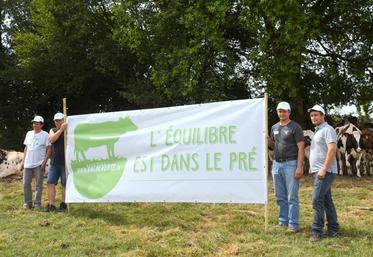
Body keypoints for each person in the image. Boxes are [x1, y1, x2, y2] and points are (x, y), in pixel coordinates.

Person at [269, 101, 305, 233]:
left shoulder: (295, 127)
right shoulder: (274, 127)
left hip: (291, 163)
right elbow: (274, 145)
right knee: (279, 195)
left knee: (292, 196)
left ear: (289, 112)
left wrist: (299, 166)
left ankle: (293, 224)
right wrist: (268, 141)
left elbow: (301, 147)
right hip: (276, 164)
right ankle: (282, 221)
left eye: (284, 111)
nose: (282, 113)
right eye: (279, 111)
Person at [308, 105, 339, 243]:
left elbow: (332, 149)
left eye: (316, 115)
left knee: (316, 200)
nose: (313, 117)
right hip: (319, 170)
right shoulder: (318, 130)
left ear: (323, 116)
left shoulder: (328, 129)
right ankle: (334, 230)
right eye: (312, 115)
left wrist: (323, 169)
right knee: (327, 201)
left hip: (325, 171)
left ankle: (317, 232)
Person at [21, 115, 51, 209]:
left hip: (39, 163)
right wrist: (23, 161)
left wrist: (44, 162)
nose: (34, 125)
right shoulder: (29, 133)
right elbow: (26, 148)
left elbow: (49, 148)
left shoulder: (45, 134)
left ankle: (37, 203)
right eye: (33, 123)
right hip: (27, 163)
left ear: (41, 125)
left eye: (37, 123)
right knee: (26, 183)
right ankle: (28, 202)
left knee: (38, 184)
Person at [45, 112, 67, 212]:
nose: (57, 122)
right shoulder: (52, 130)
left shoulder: (69, 130)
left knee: (64, 184)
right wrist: (61, 129)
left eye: (59, 120)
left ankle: (64, 204)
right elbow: (51, 140)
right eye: (56, 120)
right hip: (54, 163)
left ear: (64, 120)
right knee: (50, 183)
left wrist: (65, 130)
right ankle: (51, 205)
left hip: (65, 163)